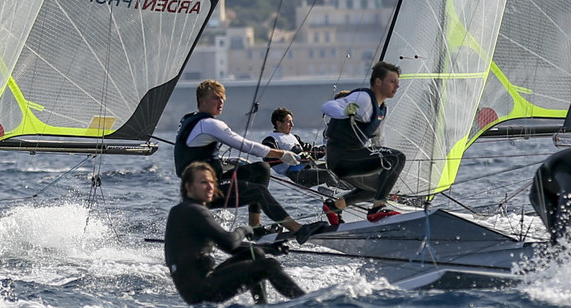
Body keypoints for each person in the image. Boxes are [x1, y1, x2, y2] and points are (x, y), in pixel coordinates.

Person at [174, 80, 328, 240]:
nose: (220, 102)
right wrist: (281, 154)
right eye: (215, 98)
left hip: (203, 184)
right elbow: (246, 146)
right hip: (202, 192)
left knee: (261, 168)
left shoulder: (189, 120)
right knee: (257, 192)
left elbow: (195, 155)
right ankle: (298, 229)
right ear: (201, 101)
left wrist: (231, 161)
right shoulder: (210, 124)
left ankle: (255, 227)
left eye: (222, 98)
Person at [164, 162, 306, 306]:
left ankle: (261, 304)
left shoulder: (182, 210)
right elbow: (229, 242)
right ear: (188, 187)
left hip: (195, 289)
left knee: (255, 253)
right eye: (203, 182)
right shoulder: (194, 210)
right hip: (202, 289)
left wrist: (269, 248)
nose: (210, 187)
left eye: (212, 182)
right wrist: (244, 229)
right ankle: (305, 302)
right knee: (268, 266)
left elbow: (228, 247)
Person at [319, 62, 407, 224]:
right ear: (378, 82)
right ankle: (377, 208)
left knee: (382, 184)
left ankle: (336, 205)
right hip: (341, 157)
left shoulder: (382, 110)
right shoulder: (364, 98)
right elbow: (328, 106)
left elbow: (379, 140)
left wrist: (391, 168)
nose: (397, 86)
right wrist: (344, 111)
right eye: (392, 81)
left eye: (398, 82)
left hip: (351, 160)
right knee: (398, 157)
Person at [261, 108, 336, 187]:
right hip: (297, 174)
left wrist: (325, 149)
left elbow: (309, 151)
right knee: (327, 174)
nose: (292, 125)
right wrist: (292, 155)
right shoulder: (271, 140)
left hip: (310, 167)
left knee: (336, 167)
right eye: (289, 122)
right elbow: (268, 156)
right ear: (278, 123)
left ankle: (347, 190)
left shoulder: (294, 137)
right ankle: (342, 195)